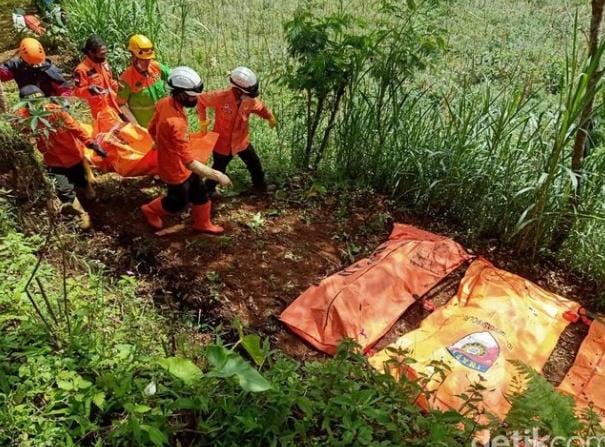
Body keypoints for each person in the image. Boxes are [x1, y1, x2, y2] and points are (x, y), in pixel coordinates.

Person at [141, 66, 232, 234]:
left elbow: (151, 127)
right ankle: (150, 210)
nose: (195, 100)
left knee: (199, 192)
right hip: (174, 169)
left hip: (181, 160)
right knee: (178, 202)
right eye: (192, 97)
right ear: (180, 93)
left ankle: (202, 223)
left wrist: (158, 141)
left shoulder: (164, 103)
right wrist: (218, 175)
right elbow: (189, 163)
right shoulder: (175, 122)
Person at [15, 85, 108, 230]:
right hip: (53, 161)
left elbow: (76, 128)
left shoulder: (56, 112)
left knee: (82, 182)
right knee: (65, 191)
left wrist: (92, 144)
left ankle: (94, 203)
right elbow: (20, 133)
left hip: (73, 156)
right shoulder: (24, 118)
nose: (38, 106)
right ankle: (83, 218)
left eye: (40, 102)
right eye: (32, 104)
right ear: (26, 105)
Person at [196, 66, 276, 197]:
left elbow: (260, 107)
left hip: (241, 141)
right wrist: (203, 122)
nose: (249, 96)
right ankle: (206, 191)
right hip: (223, 143)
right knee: (218, 168)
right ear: (237, 90)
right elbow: (200, 100)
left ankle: (260, 186)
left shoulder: (249, 100)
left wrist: (269, 116)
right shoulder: (220, 97)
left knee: (254, 163)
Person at [117, 34, 170, 127]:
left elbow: (173, 76)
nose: (147, 63)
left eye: (149, 59)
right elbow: (120, 104)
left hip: (163, 122)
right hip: (145, 128)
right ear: (133, 57)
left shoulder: (156, 67)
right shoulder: (126, 79)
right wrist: (135, 125)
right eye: (143, 60)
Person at [0, 37, 70, 97]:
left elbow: (64, 91)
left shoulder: (50, 70)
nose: (36, 66)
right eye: (32, 64)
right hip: (28, 100)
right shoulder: (16, 65)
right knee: (29, 91)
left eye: (38, 63)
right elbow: (3, 74)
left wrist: (61, 104)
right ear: (22, 58)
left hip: (49, 102)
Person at [73, 35, 122, 120]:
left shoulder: (103, 62)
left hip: (112, 105)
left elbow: (109, 80)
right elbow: (77, 93)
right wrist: (89, 89)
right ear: (91, 53)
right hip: (98, 112)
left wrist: (120, 87)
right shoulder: (81, 70)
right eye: (102, 54)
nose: (104, 56)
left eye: (105, 53)